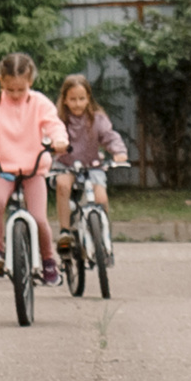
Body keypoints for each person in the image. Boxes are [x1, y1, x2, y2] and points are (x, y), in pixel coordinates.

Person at [0, 52, 71, 286]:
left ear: (30, 82)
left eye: (20, 90)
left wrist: (59, 140)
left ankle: (48, 261)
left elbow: (53, 124)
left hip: (33, 170)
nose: (15, 94)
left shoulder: (40, 103)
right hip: (4, 167)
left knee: (39, 218)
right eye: (10, 89)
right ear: (1, 81)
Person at [52, 74, 129, 254]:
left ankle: (104, 235)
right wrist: (53, 146)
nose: (77, 103)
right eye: (72, 99)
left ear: (88, 98)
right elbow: (50, 137)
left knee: (101, 199)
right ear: (64, 100)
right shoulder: (59, 120)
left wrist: (119, 152)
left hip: (92, 165)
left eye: (81, 99)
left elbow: (110, 136)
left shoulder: (97, 119)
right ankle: (64, 231)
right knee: (63, 186)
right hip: (67, 165)